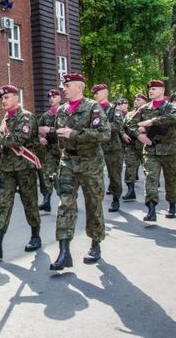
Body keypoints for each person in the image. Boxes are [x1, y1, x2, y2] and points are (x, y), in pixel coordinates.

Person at [49, 73, 111, 271]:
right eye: (63, 85)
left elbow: (104, 133)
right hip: (68, 162)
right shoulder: (61, 110)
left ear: (78, 87)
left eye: (67, 85)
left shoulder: (92, 107)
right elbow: (59, 139)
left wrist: (74, 134)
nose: (63, 89)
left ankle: (95, 244)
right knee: (65, 204)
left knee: (93, 203)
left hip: (90, 163)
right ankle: (64, 252)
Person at [0, 85, 42, 259]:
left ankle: (35, 235)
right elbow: (3, 143)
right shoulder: (5, 119)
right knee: (3, 205)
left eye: (6, 97)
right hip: (6, 169)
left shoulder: (26, 117)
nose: (3, 101)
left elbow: (18, 139)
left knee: (30, 203)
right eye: (2, 98)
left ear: (16, 98)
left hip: (24, 168)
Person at [127, 80, 176, 222]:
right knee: (150, 178)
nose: (151, 91)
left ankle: (172, 204)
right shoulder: (144, 109)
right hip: (150, 149)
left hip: (170, 149)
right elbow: (130, 124)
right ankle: (151, 209)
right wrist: (139, 136)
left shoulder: (170, 107)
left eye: (154, 89)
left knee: (172, 179)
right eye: (150, 89)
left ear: (162, 91)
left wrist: (153, 121)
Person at [92, 83, 124, 212]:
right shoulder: (92, 109)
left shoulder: (115, 109)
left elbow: (117, 127)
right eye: (94, 93)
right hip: (96, 148)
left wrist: (101, 127)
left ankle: (116, 199)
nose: (95, 95)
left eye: (97, 93)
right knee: (95, 176)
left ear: (105, 93)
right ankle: (97, 200)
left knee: (114, 175)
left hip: (112, 148)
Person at [37, 88, 62, 212]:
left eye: (54, 96)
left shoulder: (65, 112)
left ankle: (67, 200)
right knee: (48, 175)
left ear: (60, 98)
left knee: (63, 176)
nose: (51, 99)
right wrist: (40, 137)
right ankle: (46, 201)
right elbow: (37, 130)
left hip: (63, 149)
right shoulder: (45, 116)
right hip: (50, 150)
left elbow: (68, 128)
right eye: (50, 97)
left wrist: (50, 130)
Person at [121, 94, 148, 201]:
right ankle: (130, 191)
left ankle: (150, 192)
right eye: (135, 99)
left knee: (148, 169)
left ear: (145, 102)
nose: (135, 101)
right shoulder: (129, 114)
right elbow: (121, 127)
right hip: (131, 145)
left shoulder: (149, 114)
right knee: (130, 168)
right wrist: (123, 134)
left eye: (138, 100)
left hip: (145, 146)